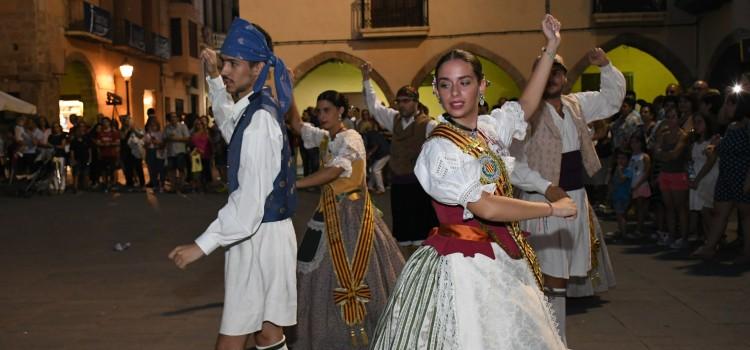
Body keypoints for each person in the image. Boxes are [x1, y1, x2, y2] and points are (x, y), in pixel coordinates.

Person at [371, 16, 575, 349]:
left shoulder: (488, 129)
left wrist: (551, 47)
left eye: (464, 82)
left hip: (501, 255)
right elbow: (484, 205)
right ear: (435, 90)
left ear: (482, 87)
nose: (455, 92)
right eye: (446, 84)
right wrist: (550, 208)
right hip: (463, 264)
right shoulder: (439, 148)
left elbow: (525, 106)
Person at [168, 18, 297, 350]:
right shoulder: (254, 110)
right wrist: (213, 77)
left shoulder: (259, 122)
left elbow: (249, 204)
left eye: (233, 64)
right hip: (263, 234)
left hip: (258, 234)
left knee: (232, 338)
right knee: (268, 334)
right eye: (225, 62)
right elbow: (229, 122)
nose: (226, 69)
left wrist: (203, 244)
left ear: (257, 69)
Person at [514, 46, 625, 344]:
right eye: (544, 71)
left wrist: (605, 67)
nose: (551, 77)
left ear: (564, 77)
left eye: (556, 72)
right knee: (545, 274)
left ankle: (555, 338)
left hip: (574, 200)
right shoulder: (523, 114)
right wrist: (545, 186)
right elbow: (512, 163)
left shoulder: (577, 104)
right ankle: (547, 338)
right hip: (540, 203)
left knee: (560, 276)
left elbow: (611, 101)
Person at [287, 90, 405, 349]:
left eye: (326, 110)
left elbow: (335, 170)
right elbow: (296, 125)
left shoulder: (351, 138)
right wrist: (288, 88)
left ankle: (363, 331)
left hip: (354, 216)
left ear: (340, 111)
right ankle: (325, 330)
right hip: (327, 210)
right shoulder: (324, 137)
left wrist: (295, 183)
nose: (321, 115)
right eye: (319, 111)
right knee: (318, 271)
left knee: (360, 273)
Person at [361, 62, 439, 258]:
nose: (402, 104)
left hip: (420, 187)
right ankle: (407, 270)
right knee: (403, 232)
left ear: (416, 102)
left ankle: (424, 269)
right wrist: (366, 78)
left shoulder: (429, 125)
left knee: (423, 232)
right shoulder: (393, 119)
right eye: (399, 101)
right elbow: (374, 106)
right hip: (399, 185)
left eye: (406, 100)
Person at [654, 108, 691, 249]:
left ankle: (684, 237)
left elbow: (675, 154)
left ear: (679, 118)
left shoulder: (683, 135)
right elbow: (656, 152)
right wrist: (665, 154)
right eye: (668, 117)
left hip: (678, 174)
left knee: (680, 207)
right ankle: (672, 235)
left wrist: (664, 154)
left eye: (673, 117)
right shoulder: (663, 135)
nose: (670, 120)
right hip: (665, 173)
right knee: (669, 207)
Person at [611, 150, 633, 237]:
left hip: (623, 196)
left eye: (623, 158)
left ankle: (624, 234)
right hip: (616, 196)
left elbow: (622, 179)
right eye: (619, 158)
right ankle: (620, 230)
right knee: (619, 214)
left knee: (621, 215)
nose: (620, 160)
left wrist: (619, 170)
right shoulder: (616, 170)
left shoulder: (629, 170)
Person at [47, 124, 68, 194]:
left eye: (57, 127)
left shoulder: (62, 136)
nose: (56, 129)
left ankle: (62, 186)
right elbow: (48, 144)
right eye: (54, 127)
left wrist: (54, 146)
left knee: (62, 171)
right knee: (55, 172)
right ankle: (56, 186)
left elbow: (63, 146)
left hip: (61, 155)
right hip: (53, 155)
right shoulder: (51, 136)